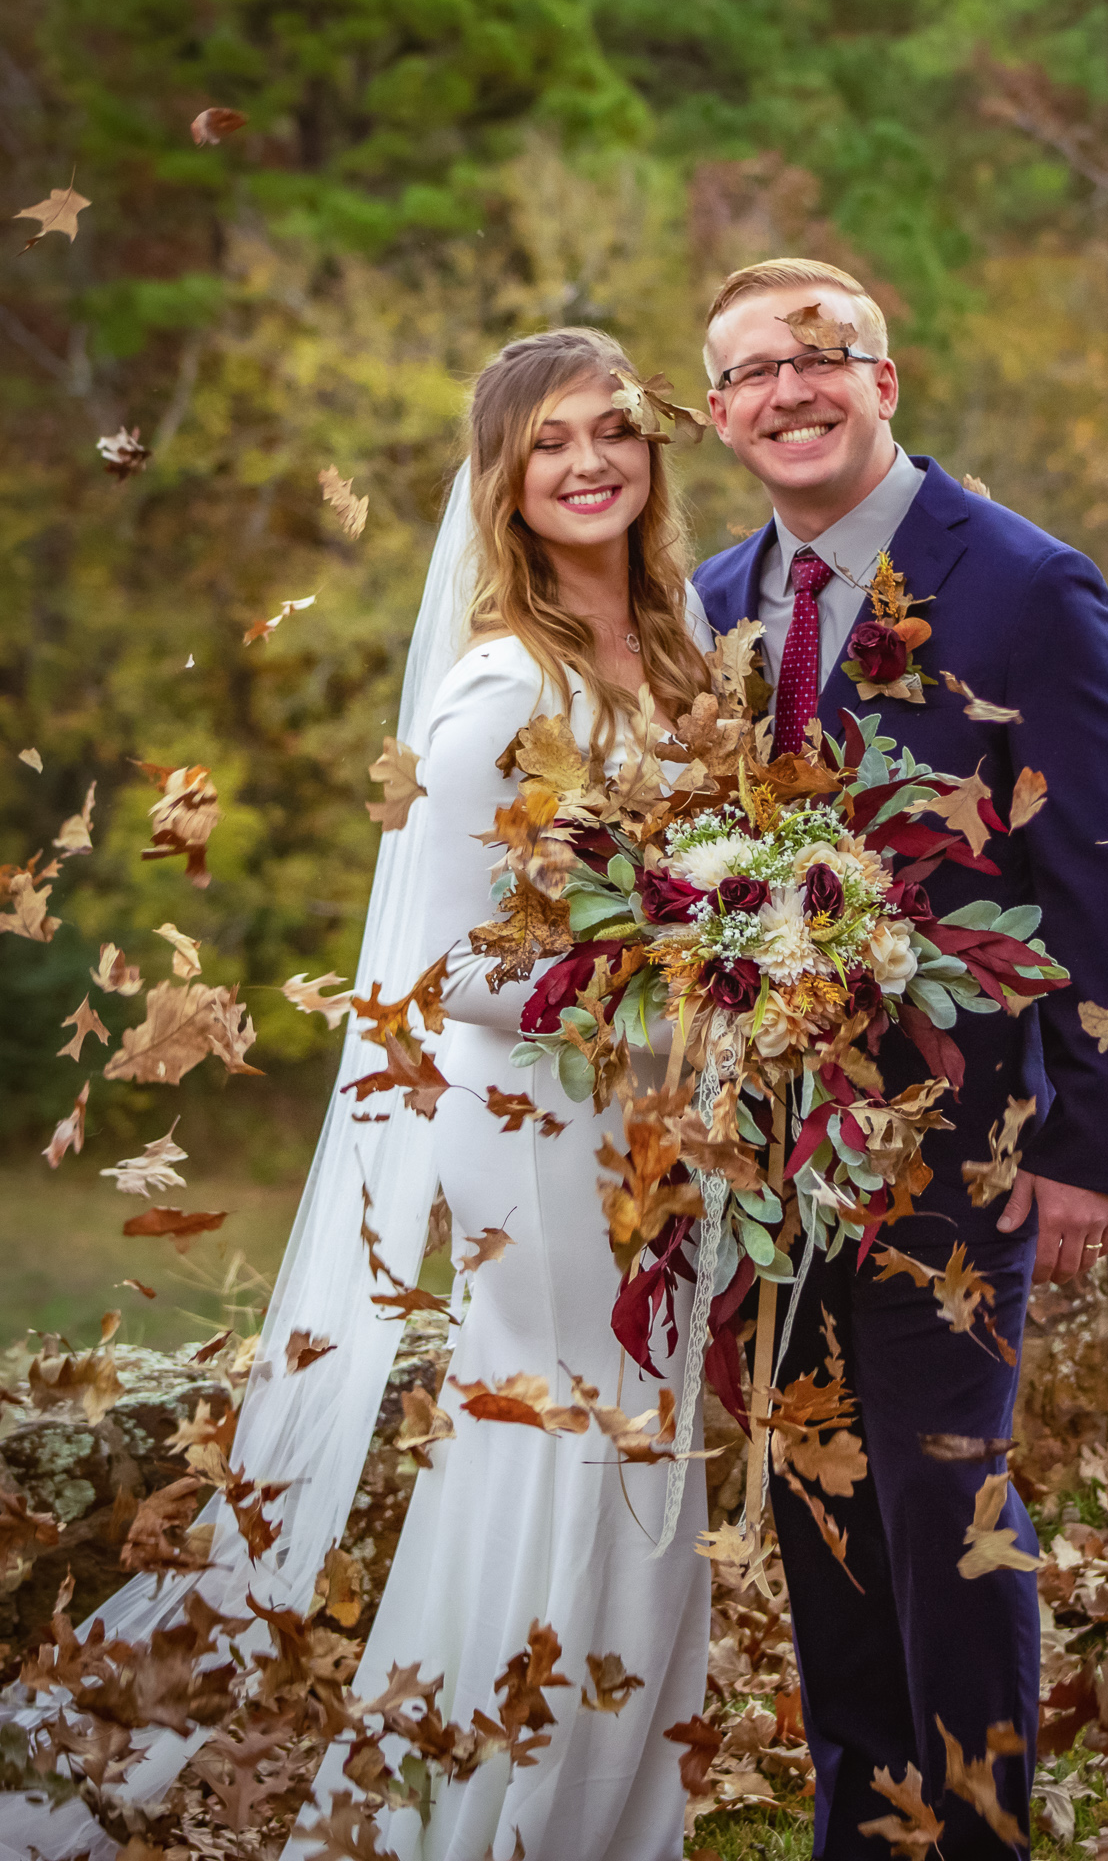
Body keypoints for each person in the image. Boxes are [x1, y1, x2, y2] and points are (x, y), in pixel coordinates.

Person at [0, 328, 714, 1861]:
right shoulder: (495, 688)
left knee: (642, 1438)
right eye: (551, 444)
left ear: (654, 455)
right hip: (532, 1116)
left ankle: (607, 1811)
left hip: (657, 1118)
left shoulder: (675, 643)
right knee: (567, 1434)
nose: (592, 462)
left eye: (616, 433)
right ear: (503, 481)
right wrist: (653, 981)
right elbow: (436, 962)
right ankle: (486, 1810)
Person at [693, 259, 1108, 1859]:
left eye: (822, 358)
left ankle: (974, 1835)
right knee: (822, 1499)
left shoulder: (1027, 582)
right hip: (770, 1156)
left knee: (942, 1502)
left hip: (958, 1146)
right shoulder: (711, 604)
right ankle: (864, 1827)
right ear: (718, 415)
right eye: (754, 372)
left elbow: (1102, 873)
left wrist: (1088, 1146)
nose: (790, 391)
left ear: (887, 380)